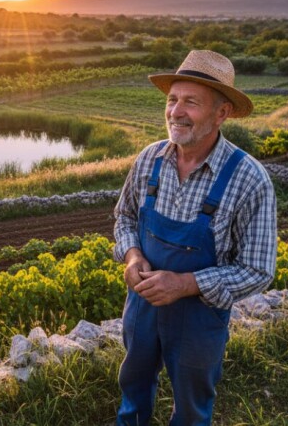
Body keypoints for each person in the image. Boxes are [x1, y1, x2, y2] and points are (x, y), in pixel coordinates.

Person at [113, 50, 277, 426]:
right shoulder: (149, 159)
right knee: (133, 385)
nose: (176, 112)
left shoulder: (249, 178)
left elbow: (258, 269)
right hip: (142, 306)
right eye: (172, 100)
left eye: (191, 102)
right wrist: (133, 257)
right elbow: (123, 217)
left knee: (191, 405)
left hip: (200, 316)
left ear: (222, 113)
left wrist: (186, 283)